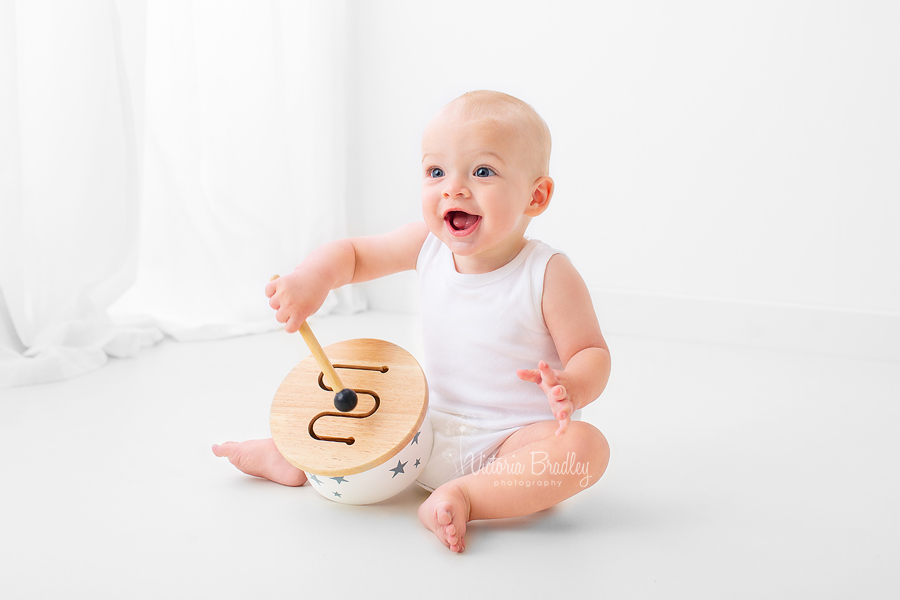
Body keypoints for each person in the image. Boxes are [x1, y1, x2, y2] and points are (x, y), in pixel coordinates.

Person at [213, 90, 611, 553]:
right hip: (422, 430)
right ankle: (292, 455)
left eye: (483, 171)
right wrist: (311, 279)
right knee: (365, 399)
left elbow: (591, 352)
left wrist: (574, 385)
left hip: (514, 444)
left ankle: (465, 495)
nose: (453, 189)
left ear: (536, 195)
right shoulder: (429, 245)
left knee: (585, 449)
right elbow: (356, 255)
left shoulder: (547, 273)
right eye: (435, 171)